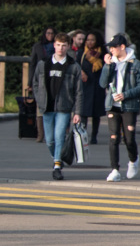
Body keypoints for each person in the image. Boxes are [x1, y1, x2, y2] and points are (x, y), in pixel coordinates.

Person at [31, 33, 84, 180]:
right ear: (54, 45)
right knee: (50, 140)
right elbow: (35, 83)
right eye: (58, 45)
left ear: (68, 47)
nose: (61, 48)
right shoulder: (43, 63)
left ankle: (57, 166)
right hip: (47, 107)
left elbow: (79, 91)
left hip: (64, 107)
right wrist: (39, 99)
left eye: (64, 45)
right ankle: (56, 157)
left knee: (59, 136)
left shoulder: (73, 66)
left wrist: (77, 112)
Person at [99, 33, 140, 181]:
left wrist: (126, 94)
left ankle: (133, 160)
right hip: (112, 105)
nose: (111, 50)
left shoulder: (136, 63)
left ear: (122, 47)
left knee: (129, 138)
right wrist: (107, 66)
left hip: (128, 105)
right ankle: (115, 170)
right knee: (113, 137)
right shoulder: (111, 63)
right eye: (110, 47)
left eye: (113, 47)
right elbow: (102, 83)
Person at [29, 27, 56, 142]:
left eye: (52, 33)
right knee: (40, 106)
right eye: (48, 33)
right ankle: (40, 134)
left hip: (54, 79)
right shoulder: (38, 47)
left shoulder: (57, 47)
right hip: (41, 79)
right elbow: (33, 64)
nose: (50, 35)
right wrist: (30, 82)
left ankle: (53, 133)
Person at [79, 31, 105, 144]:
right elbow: (75, 65)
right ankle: (83, 134)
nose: (89, 42)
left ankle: (94, 136)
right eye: (88, 40)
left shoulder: (103, 53)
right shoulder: (82, 53)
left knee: (96, 113)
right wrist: (81, 72)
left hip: (98, 86)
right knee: (84, 112)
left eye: (92, 40)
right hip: (85, 85)